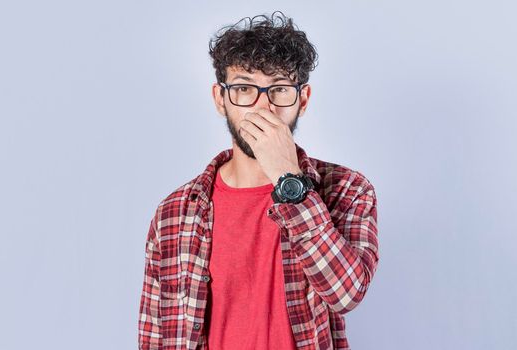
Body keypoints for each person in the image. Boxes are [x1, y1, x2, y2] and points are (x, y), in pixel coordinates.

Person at [138, 11, 379, 350]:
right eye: (243, 88)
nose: (263, 107)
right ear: (220, 99)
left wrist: (289, 179)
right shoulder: (174, 214)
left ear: (303, 99)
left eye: (279, 89)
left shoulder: (347, 190)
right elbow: (155, 337)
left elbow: (346, 293)